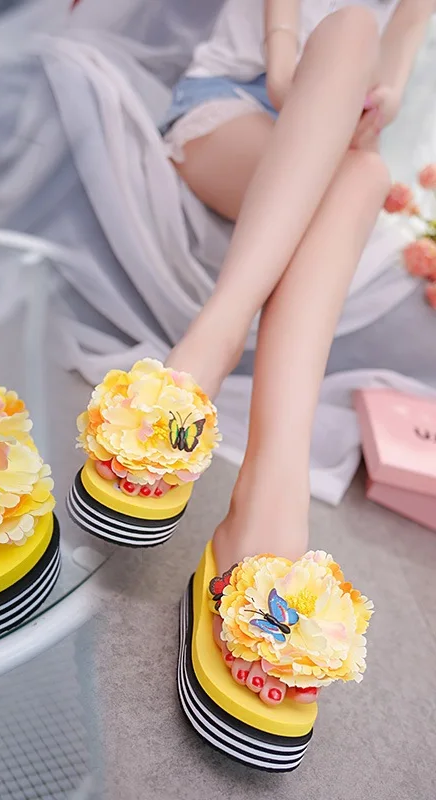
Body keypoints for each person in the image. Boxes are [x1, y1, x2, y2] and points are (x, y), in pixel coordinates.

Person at [155, 0, 434, 709]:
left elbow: (394, 71)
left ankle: (266, 486)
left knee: (366, 176)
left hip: (334, 143)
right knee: (350, 29)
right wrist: (309, 79)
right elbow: (285, 73)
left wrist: (378, 102)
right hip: (233, 108)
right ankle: (263, 489)